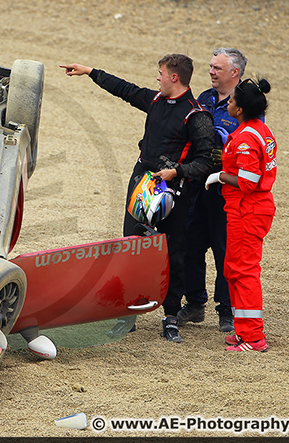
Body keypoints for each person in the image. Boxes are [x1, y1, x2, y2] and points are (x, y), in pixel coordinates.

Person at [61, 54, 215, 343]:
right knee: (131, 248)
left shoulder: (196, 116)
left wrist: (178, 171)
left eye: (161, 73)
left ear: (174, 77)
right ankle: (127, 313)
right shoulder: (155, 100)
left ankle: (170, 317)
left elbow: (210, 160)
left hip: (173, 191)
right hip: (142, 182)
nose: (157, 77)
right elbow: (124, 89)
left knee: (173, 252)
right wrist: (90, 71)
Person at [177, 48, 249, 333]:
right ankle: (194, 303)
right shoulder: (203, 98)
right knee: (191, 246)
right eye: (210, 67)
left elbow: (249, 140)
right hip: (197, 185)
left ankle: (226, 310)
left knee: (224, 251)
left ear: (235, 72)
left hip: (225, 191)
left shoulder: (246, 103)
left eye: (217, 68)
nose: (210, 72)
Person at [205, 77, 276, 352]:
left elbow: (247, 180)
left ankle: (253, 337)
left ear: (241, 109)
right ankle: (243, 329)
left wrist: (220, 175)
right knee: (233, 269)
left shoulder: (246, 137)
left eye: (232, 101)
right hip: (246, 210)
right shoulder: (259, 129)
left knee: (243, 272)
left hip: (247, 210)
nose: (229, 104)